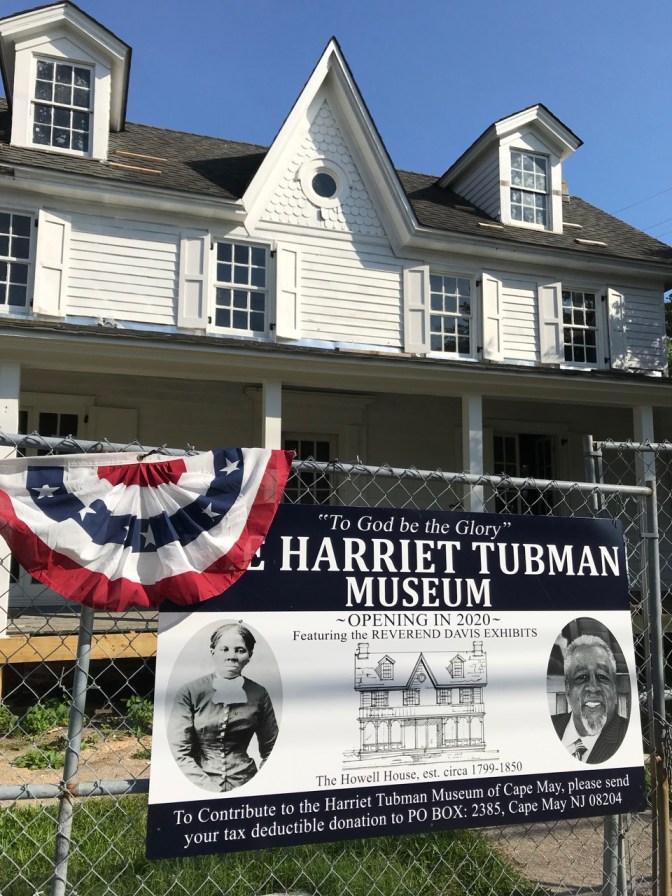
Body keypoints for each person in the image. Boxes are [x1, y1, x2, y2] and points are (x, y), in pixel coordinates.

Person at [168, 622, 278, 791]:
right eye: (224, 649)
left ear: (249, 656)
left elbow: (272, 749)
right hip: (199, 784)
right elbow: (178, 752)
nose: (232, 656)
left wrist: (260, 784)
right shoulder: (190, 692)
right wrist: (208, 788)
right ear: (213, 652)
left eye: (240, 650)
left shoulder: (259, 694)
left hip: (246, 781)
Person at [552, 633, 628, 764]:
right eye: (581, 677)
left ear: (614, 688)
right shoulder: (545, 729)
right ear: (567, 690)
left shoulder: (627, 735)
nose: (593, 687)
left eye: (603, 676)